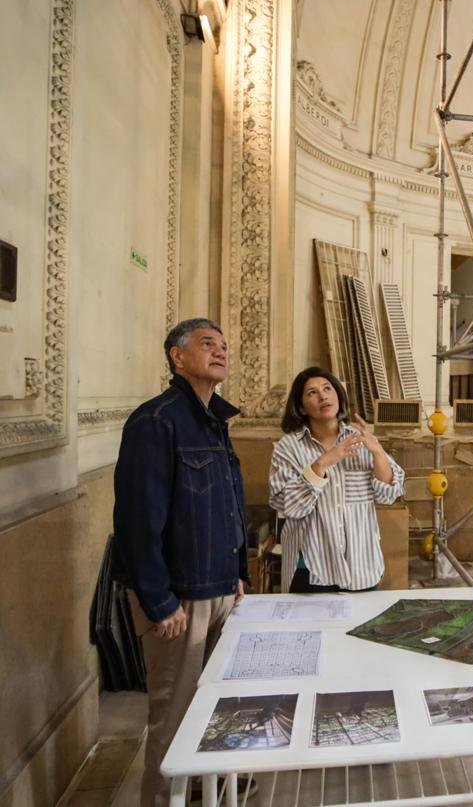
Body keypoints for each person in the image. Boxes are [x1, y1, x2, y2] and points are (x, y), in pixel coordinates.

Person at [112, 318, 249, 807]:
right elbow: (137, 520)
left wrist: (237, 573)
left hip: (219, 587)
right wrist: (158, 600)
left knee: (212, 710)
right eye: (207, 344)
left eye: (223, 345)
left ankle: (201, 795)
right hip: (180, 599)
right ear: (178, 356)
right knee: (173, 719)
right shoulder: (156, 421)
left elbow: (226, 505)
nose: (220, 351)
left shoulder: (214, 420)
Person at [268, 367, 404, 592]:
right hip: (310, 570)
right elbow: (290, 505)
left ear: (338, 396)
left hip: (360, 567)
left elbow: (388, 494)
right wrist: (323, 462)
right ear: (301, 407)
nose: (323, 396)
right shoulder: (288, 448)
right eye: (312, 392)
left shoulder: (361, 439)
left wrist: (377, 451)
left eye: (327, 388)